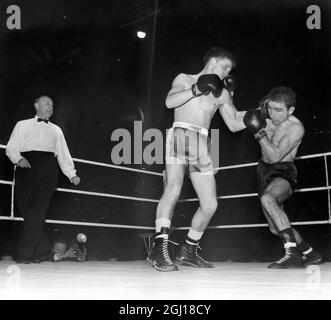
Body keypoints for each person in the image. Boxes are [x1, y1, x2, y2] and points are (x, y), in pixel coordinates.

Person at [148, 47, 247, 271]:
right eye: (225, 66)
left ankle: (188, 251)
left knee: (210, 204)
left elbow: (232, 124)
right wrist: (195, 89)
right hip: (181, 133)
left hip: (202, 142)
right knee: (173, 186)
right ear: (212, 61)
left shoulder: (223, 93)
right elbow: (169, 102)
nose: (227, 73)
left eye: (229, 69)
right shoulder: (185, 78)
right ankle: (159, 248)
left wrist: (254, 117)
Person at [243, 86, 323, 268]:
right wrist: (227, 95)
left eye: (279, 110)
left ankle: (292, 255)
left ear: (291, 110)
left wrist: (259, 132)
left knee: (268, 199)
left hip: (283, 170)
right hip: (263, 171)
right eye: (270, 108)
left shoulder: (295, 128)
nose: (273, 114)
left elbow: (274, 156)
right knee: (275, 228)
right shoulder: (266, 117)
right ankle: (310, 253)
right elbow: (233, 123)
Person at [6, 95, 81, 264]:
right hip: (26, 167)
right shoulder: (22, 125)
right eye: (47, 103)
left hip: (48, 170)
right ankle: (43, 251)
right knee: (26, 210)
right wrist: (18, 159)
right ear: (36, 105)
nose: (50, 107)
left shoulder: (56, 130)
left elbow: (63, 154)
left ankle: (25, 255)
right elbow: (11, 147)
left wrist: (71, 174)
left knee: (37, 212)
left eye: (52, 105)